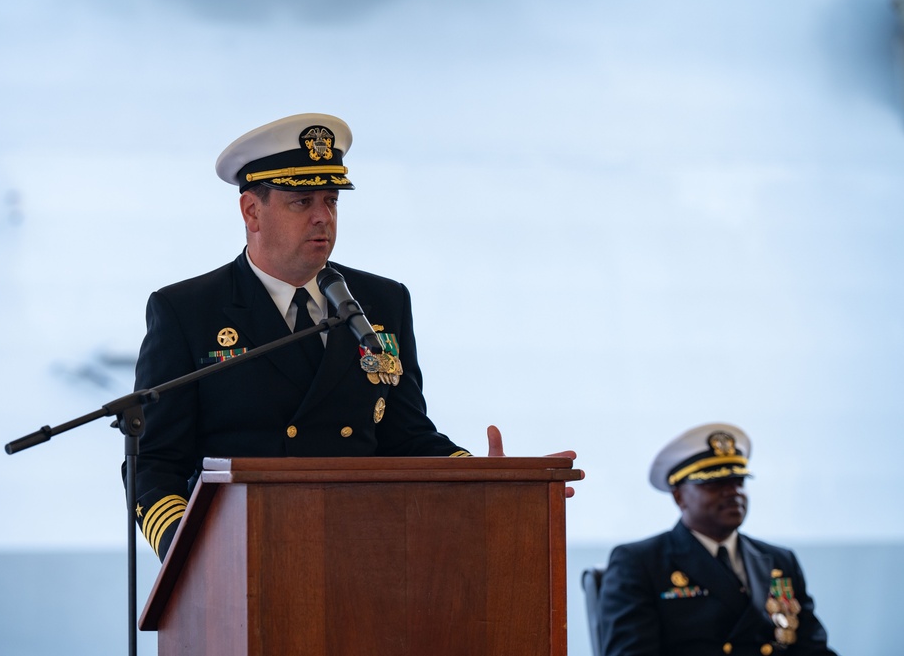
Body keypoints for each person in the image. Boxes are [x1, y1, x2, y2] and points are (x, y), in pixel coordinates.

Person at [127, 113, 579, 561]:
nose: (323, 217)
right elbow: (155, 462)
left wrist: (487, 481)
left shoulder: (382, 302)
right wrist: (186, 551)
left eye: (332, 201)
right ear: (251, 212)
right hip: (244, 558)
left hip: (366, 553)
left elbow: (405, 437)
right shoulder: (188, 310)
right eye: (302, 202)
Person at [597, 423, 837, 656]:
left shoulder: (780, 560)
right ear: (679, 496)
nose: (734, 492)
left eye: (739, 481)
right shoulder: (641, 563)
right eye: (715, 483)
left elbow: (812, 649)